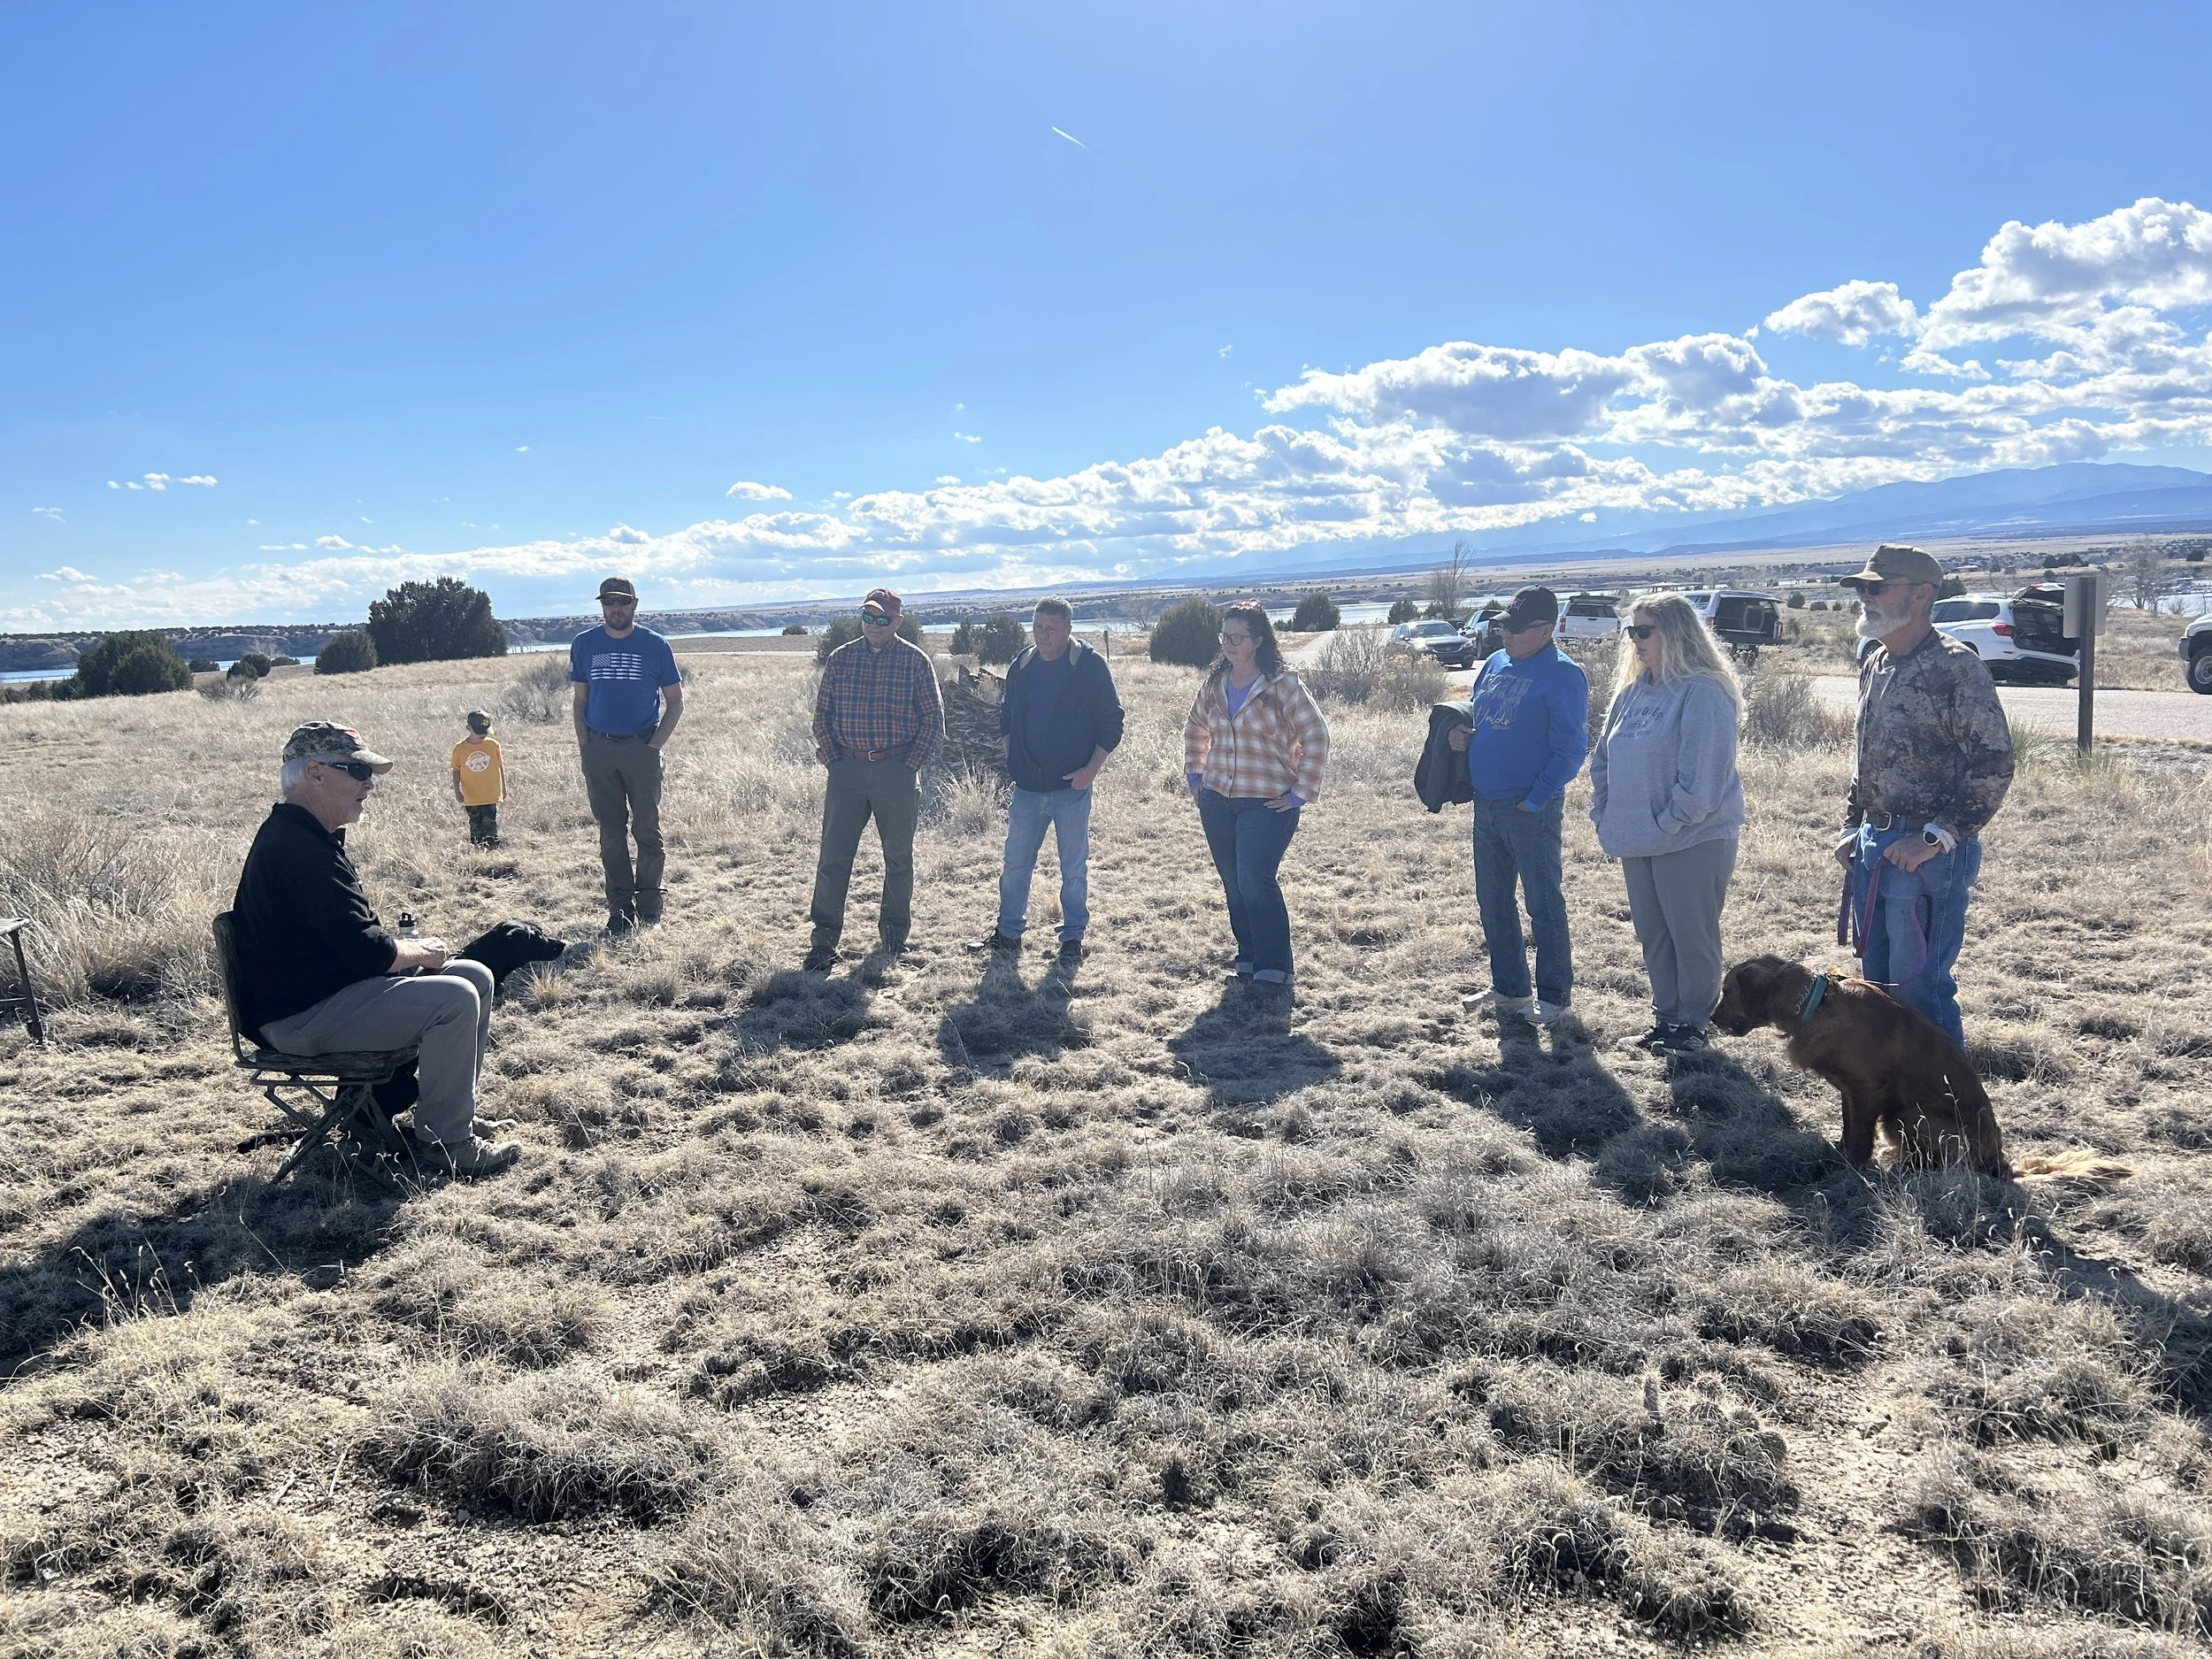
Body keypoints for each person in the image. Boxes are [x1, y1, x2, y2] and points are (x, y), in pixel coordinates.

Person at [231, 722, 519, 1178]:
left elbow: (350, 943)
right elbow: (369, 955)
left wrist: (406, 952)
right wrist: (419, 951)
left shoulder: (305, 837)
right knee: (456, 997)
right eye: (356, 770)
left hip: (320, 1001)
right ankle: (447, 1145)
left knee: (475, 976)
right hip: (299, 1020)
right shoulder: (299, 850)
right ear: (315, 774)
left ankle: (451, 1116)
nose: (369, 783)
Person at [1836, 544, 2013, 1046]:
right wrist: (1854, 826)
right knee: (1876, 987)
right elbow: (1868, 757)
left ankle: (1950, 1111)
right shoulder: (1876, 660)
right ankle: (1895, 1103)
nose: (1865, 597)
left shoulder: (1956, 667)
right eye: (1862, 589)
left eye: (1877, 587)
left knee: (1921, 990)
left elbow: (1994, 761)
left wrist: (1937, 838)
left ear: (1919, 595)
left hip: (1926, 857)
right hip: (1875, 846)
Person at [1588, 593, 1745, 1055]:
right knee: (1653, 931)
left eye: (1644, 630)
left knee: (1690, 931)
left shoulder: (1703, 692)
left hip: (1693, 838)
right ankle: (1667, 1016)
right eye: (1630, 631)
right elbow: (1602, 761)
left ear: (1675, 634)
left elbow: (1704, 780)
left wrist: (1669, 821)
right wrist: (1607, 813)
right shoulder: (1632, 693)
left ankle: (1694, 1023)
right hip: (1637, 837)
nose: (1635, 640)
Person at [1448, 586, 1589, 1025]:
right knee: (1493, 900)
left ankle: (1554, 1000)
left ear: (1546, 631)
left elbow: (1571, 749)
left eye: (1516, 628)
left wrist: (1536, 798)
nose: (1505, 634)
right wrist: (1460, 736)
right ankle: (1510, 989)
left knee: (1543, 904)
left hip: (1530, 808)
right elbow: (1480, 713)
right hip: (1487, 804)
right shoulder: (1495, 662)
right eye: (1503, 625)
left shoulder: (1565, 676)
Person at [1182, 601, 1330, 988]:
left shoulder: (1282, 684)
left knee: (1254, 878)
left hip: (1267, 803)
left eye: (1238, 637)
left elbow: (1317, 736)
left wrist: (1300, 793)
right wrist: (1196, 777)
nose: (1229, 644)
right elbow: (1195, 729)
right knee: (1233, 882)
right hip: (1217, 799)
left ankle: (1274, 967)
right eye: (1224, 636)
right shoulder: (1215, 684)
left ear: (1258, 641)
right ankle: (1247, 958)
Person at [976, 597, 1125, 964]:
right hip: (1027, 788)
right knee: (1015, 862)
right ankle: (1008, 932)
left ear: (1068, 629)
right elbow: (1007, 715)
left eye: (1051, 628)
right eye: (1038, 626)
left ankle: (1072, 937)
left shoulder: (1088, 666)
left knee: (1073, 867)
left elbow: (1112, 720)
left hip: (1071, 787)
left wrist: (1091, 770)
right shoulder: (1022, 665)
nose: (1043, 634)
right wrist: (1013, 758)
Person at [807, 588, 945, 970]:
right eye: (868, 617)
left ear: (898, 622)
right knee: (834, 858)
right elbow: (822, 717)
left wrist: (909, 765)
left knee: (898, 858)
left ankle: (894, 936)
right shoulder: (841, 658)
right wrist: (836, 760)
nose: (874, 625)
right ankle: (823, 940)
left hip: (896, 771)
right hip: (847, 771)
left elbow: (933, 720)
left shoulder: (915, 662)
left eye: (883, 619)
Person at [571, 577, 684, 932]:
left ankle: (650, 907)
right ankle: (620, 910)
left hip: (641, 747)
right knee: (611, 834)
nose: (615, 608)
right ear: (602, 605)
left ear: (635, 604)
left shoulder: (655, 645)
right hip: (600, 750)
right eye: (609, 602)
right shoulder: (584, 644)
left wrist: (653, 747)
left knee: (648, 829)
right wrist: (586, 748)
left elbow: (676, 702)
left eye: (622, 602)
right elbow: (580, 701)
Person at [449, 709, 505, 847]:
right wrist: (457, 790)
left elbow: (500, 766)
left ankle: (492, 849)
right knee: (475, 825)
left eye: (485, 730)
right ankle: (478, 850)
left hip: (490, 794)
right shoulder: (460, 749)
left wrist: (504, 787)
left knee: (490, 823)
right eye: (479, 730)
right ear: (468, 728)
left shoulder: (493, 745)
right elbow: (456, 771)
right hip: (471, 796)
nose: (483, 734)